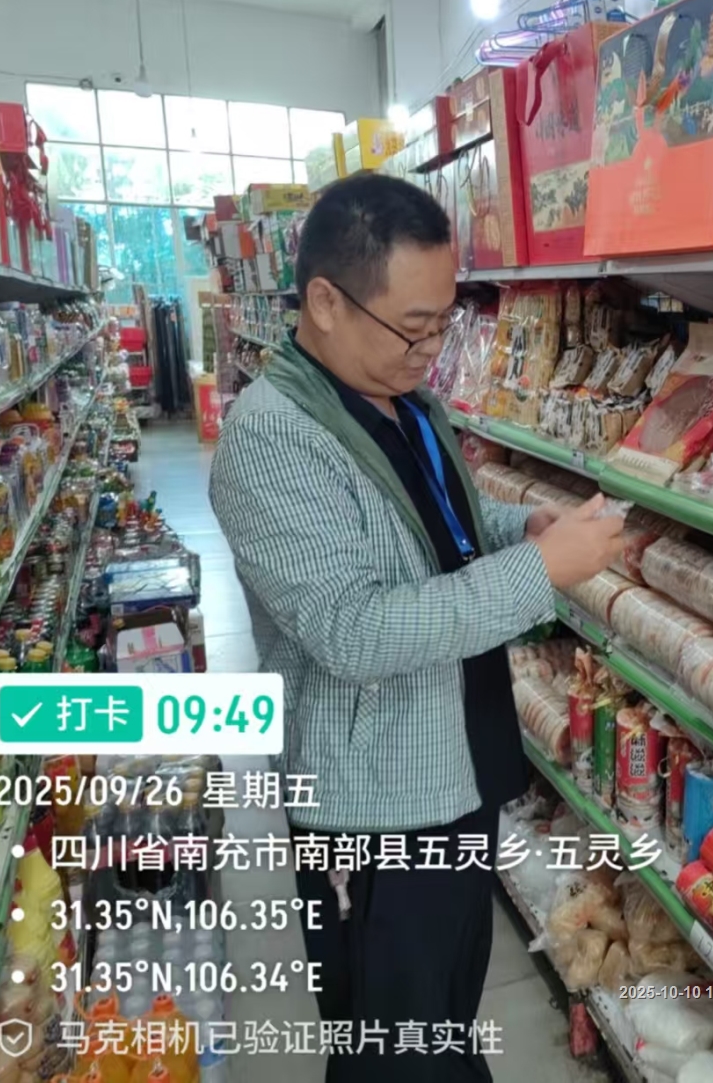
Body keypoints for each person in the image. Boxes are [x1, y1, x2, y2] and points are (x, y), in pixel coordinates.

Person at [209, 172, 624, 1081]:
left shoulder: (399, 400)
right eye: (414, 326)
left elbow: (439, 524)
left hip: (452, 768)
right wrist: (539, 572)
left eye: (444, 322)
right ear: (326, 302)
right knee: (389, 1041)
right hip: (374, 806)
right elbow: (353, 629)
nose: (433, 349)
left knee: (442, 1008)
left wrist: (523, 527)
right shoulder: (274, 437)